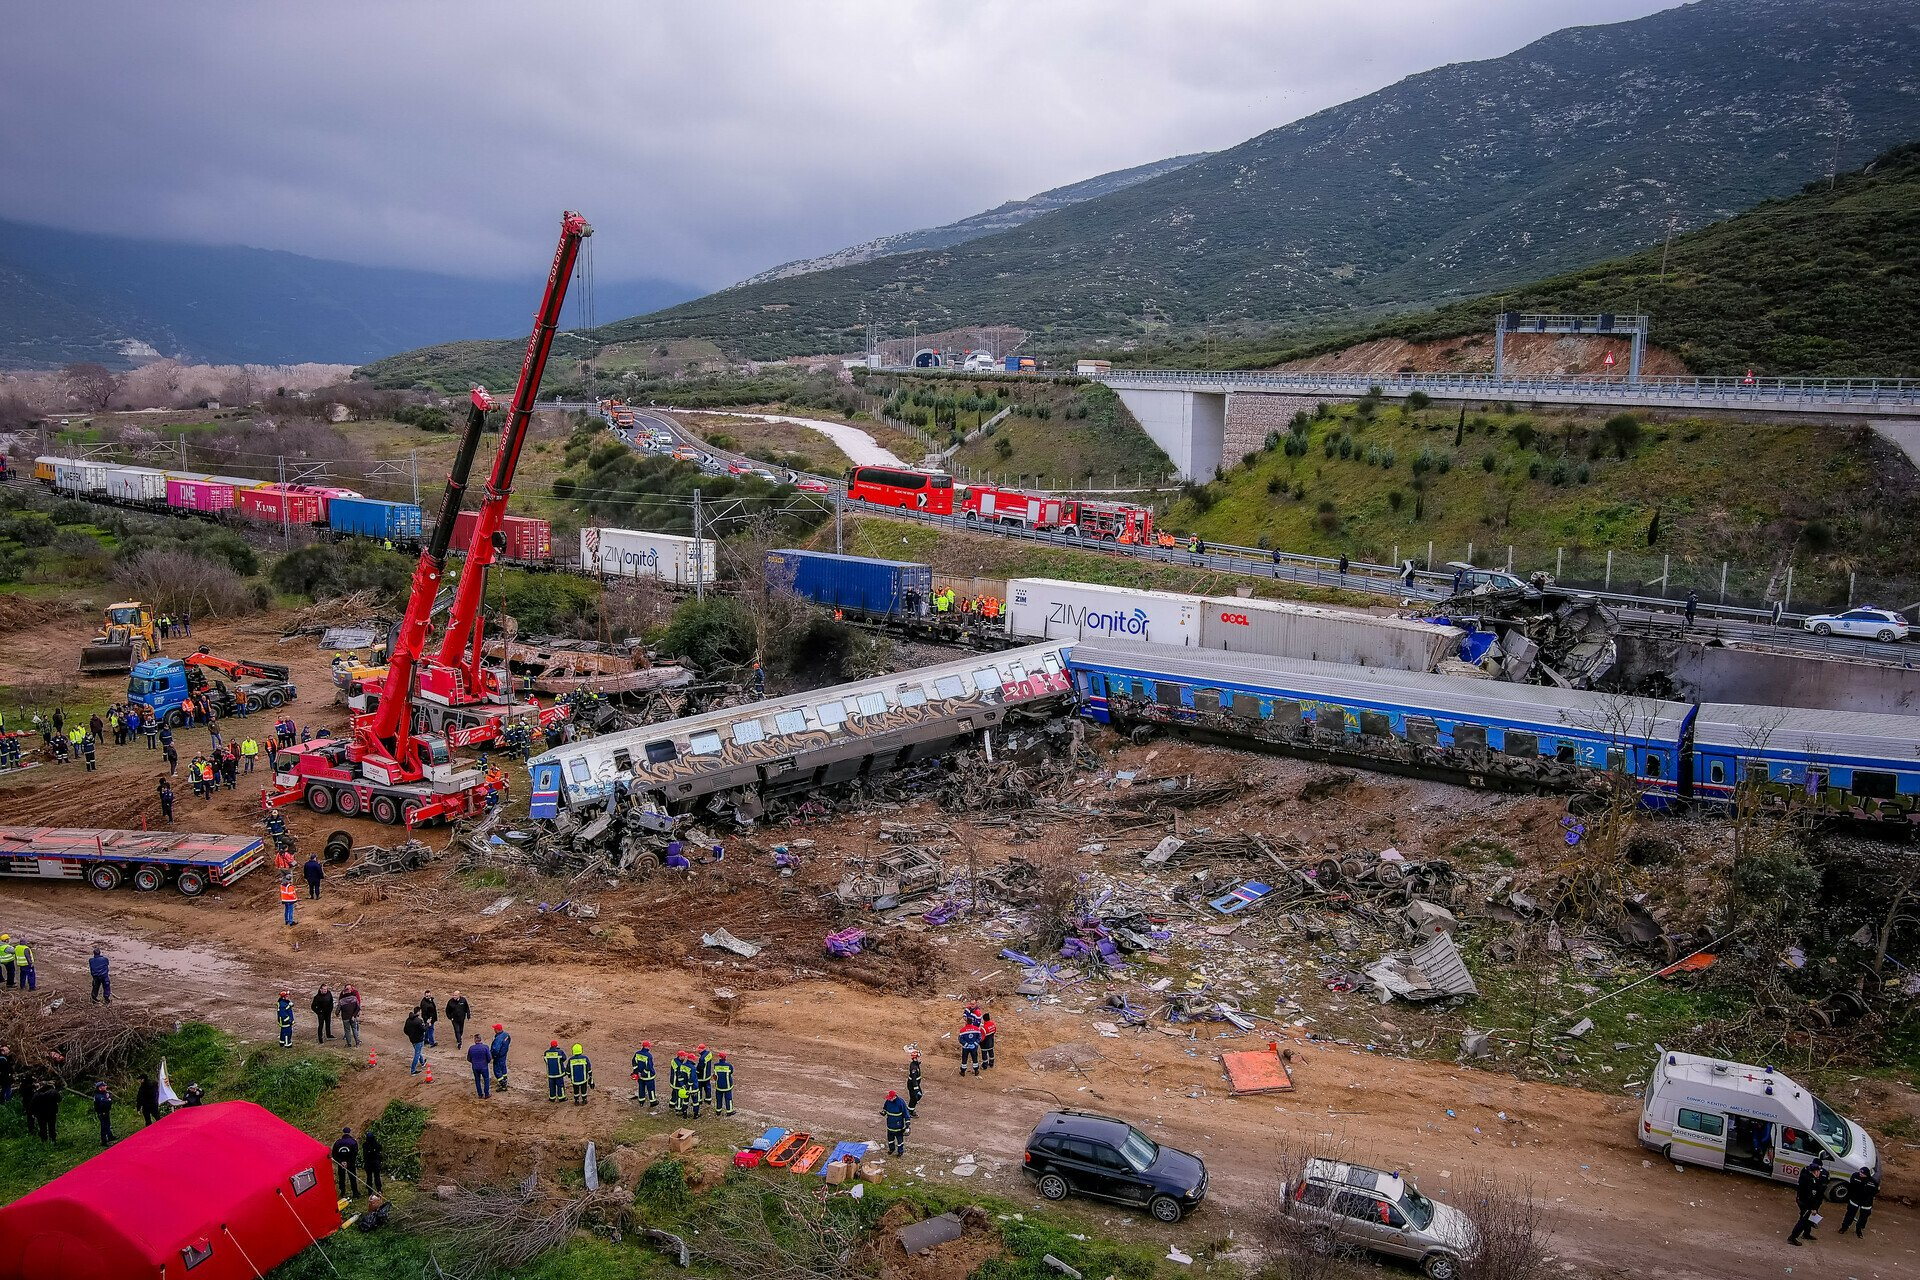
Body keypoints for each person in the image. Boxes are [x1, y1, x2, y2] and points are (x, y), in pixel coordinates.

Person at [1789, 1155, 1828, 1244]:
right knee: (1803, 1221)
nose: (1820, 1173)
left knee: (1808, 1219)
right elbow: (1812, 1196)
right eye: (1818, 1171)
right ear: (1815, 1172)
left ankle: (1806, 1234)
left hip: (1804, 1201)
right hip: (1807, 1204)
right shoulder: (1812, 1181)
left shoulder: (1808, 1176)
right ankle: (1792, 1237)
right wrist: (1813, 1208)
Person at [1841, 1167, 1878, 1238]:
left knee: (1863, 1218)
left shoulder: (1873, 1182)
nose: (1860, 1174)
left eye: (1862, 1173)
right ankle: (1844, 1227)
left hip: (1866, 1203)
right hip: (1854, 1200)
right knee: (1849, 1215)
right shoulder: (1855, 1176)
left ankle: (1859, 1230)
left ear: (1866, 1174)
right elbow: (1851, 1186)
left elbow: (1875, 1192)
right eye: (1860, 1172)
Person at [331, 1127, 361, 1199]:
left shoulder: (338, 1142)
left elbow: (334, 1154)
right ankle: (355, 1193)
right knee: (352, 1177)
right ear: (350, 1132)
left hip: (341, 1163)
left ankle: (342, 1192)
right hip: (350, 1163)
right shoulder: (353, 1142)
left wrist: (341, 1161)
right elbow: (355, 1154)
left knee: (342, 1178)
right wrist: (348, 1162)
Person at [883, 1089, 910, 1156]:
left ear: (894, 1097)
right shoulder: (888, 1101)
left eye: (891, 1098)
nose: (889, 1099)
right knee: (890, 1139)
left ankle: (900, 1151)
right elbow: (885, 1108)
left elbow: (906, 1113)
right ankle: (891, 1149)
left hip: (898, 1127)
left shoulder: (900, 1102)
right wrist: (884, 1112)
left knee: (899, 1140)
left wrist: (907, 1123)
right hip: (890, 1125)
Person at [466, 1034, 494, 1099]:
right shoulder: (485, 1047)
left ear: (475, 1040)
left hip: (475, 1067)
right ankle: (486, 1094)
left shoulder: (471, 1048)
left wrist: (474, 1062)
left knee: (477, 1080)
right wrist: (486, 1062)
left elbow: (468, 1058)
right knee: (486, 1079)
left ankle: (480, 1094)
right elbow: (489, 1058)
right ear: (481, 1039)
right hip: (484, 1066)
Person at [631, 1042, 657, 1106]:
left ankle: (641, 1101)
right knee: (651, 1089)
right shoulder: (649, 1056)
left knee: (641, 1088)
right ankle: (653, 1101)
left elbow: (634, 1062)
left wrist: (636, 1071)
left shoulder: (637, 1054)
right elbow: (649, 1067)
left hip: (640, 1076)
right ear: (647, 1047)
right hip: (648, 1077)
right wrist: (643, 1073)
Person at [404, 1007, 427, 1074]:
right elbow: (424, 1029)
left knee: (418, 1051)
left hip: (412, 1039)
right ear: (419, 1012)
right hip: (419, 1040)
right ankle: (413, 1070)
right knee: (417, 1054)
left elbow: (405, 1030)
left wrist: (410, 1035)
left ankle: (422, 1063)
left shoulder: (408, 1020)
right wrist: (427, 1024)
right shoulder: (419, 1021)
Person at [362, 1129, 385, 1195]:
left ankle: (370, 1190)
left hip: (368, 1163)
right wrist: (380, 1161)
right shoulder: (377, 1144)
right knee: (377, 1176)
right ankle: (379, 1189)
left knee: (369, 1177)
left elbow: (364, 1155)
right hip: (376, 1163)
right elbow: (380, 1153)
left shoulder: (365, 1145)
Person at [93, 1081, 116, 1146]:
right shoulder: (98, 1096)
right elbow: (104, 1103)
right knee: (104, 1126)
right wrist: (108, 1100)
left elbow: (110, 1098)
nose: (105, 1087)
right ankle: (104, 1141)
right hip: (101, 1113)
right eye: (104, 1086)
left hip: (106, 1111)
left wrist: (109, 1099)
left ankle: (110, 1136)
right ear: (100, 1088)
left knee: (108, 1124)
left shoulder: (105, 1093)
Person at [713, 1051, 735, 1116]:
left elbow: (715, 1075)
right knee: (728, 1099)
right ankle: (729, 1111)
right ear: (725, 1057)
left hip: (719, 1086)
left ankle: (718, 1111)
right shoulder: (729, 1066)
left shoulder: (716, 1065)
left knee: (718, 1099)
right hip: (727, 1086)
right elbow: (731, 1072)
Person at [490, 1023, 510, 1089]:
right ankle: (505, 1079)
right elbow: (509, 1040)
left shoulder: (498, 1038)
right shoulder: (506, 1034)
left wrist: (493, 1056)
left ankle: (502, 1083)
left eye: (494, 1029)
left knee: (497, 1070)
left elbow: (495, 1049)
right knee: (503, 1066)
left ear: (497, 1029)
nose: (494, 1030)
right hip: (503, 1054)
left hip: (498, 1056)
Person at [906, 1049, 923, 1115]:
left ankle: (911, 1107)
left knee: (918, 1096)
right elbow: (914, 1079)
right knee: (914, 1098)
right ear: (916, 1058)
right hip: (912, 1085)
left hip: (915, 1084)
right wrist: (916, 1089)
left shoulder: (915, 1065)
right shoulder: (914, 1068)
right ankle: (910, 1111)